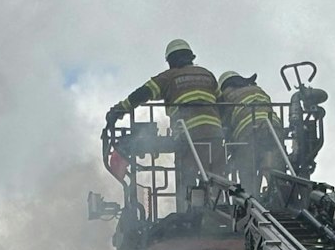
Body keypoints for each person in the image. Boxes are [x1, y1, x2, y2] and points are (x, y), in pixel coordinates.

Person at [107, 40, 223, 212]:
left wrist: (118, 110)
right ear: (190, 57)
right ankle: (218, 210)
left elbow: (143, 93)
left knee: (187, 178)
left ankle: (190, 217)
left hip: (188, 135)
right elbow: (222, 103)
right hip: (215, 133)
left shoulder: (169, 77)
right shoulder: (207, 75)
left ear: (170, 61)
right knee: (218, 177)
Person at [217, 72, 281, 195]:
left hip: (249, 133)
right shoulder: (257, 90)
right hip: (274, 128)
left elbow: (224, 125)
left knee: (247, 172)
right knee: (275, 168)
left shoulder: (227, 95)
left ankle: (251, 200)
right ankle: (279, 196)